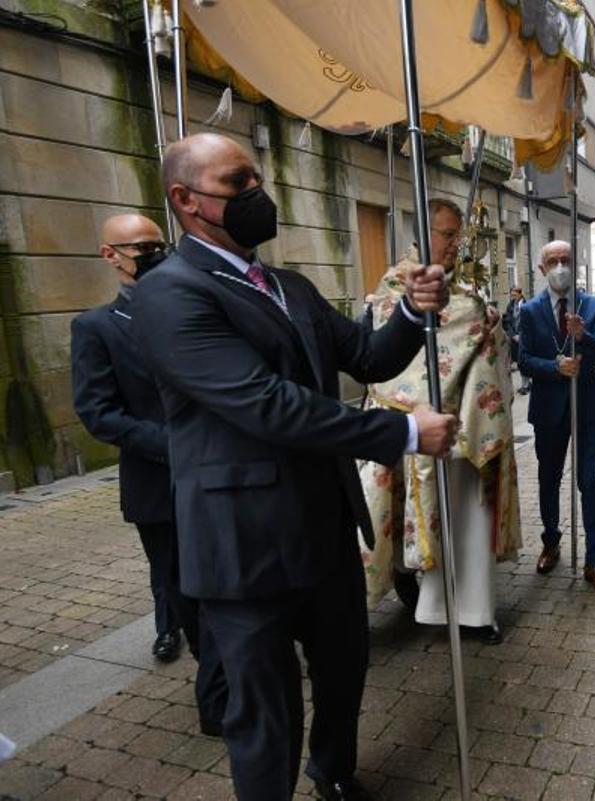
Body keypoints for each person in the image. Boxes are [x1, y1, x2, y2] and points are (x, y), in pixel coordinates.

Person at [132, 133, 457, 801]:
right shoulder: (170, 293)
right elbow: (267, 405)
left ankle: (333, 772)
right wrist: (398, 430)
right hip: (242, 543)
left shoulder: (288, 285)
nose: (258, 193)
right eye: (237, 182)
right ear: (185, 199)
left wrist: (411, 310)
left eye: (257, 178)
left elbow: (367, 356)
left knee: (344, 671)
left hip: (324, 531)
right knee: (266, 709)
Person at [71, 213, 227, 736]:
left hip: (223, 475)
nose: (153, 252)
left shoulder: (198, 305)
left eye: (159, 243)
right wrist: (176, 445)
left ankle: (240, 678)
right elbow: (99, 413)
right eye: (140, 246)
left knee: (231, 583)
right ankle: (219, 700)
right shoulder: (95, 328)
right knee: (186, 591)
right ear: (110, 255)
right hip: (160, 485)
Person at [358, 199, 520, 646]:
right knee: (392, 522)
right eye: (448, 235)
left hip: (463, 432)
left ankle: (474, 611)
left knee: (468, 523)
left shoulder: (465, 288)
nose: (455, 245)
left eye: (457, 236)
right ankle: (415, 603)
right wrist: (476, 316)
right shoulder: (396, 284)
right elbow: (393, 357)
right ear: (423, 233)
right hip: (410, 433)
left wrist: (488, 321)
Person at [518, 241, 595, 595]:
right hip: (549, 408)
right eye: (552, 261)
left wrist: (583, 336)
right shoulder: (529, 311)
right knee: (549, 478)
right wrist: (555, 367)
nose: (560, 267)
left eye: (566, 260)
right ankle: (551, 541)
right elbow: (524, 360)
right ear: (542, 269)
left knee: (589, 480)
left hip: (588, 406)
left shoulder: (592, 306)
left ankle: (593, 560)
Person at [502, 286, 531, 394]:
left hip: (524, 337)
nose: (513, 297)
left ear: (520, 294)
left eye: (514, 295)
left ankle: (526, 385)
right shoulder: (510, 306)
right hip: (514, 338)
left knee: (524, 360)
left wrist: (522, 335)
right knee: (518, 362)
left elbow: (529, 322)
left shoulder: (527, 305)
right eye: (512, 295)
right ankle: (526, 383)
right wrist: (513, 335)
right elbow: (507, 322)